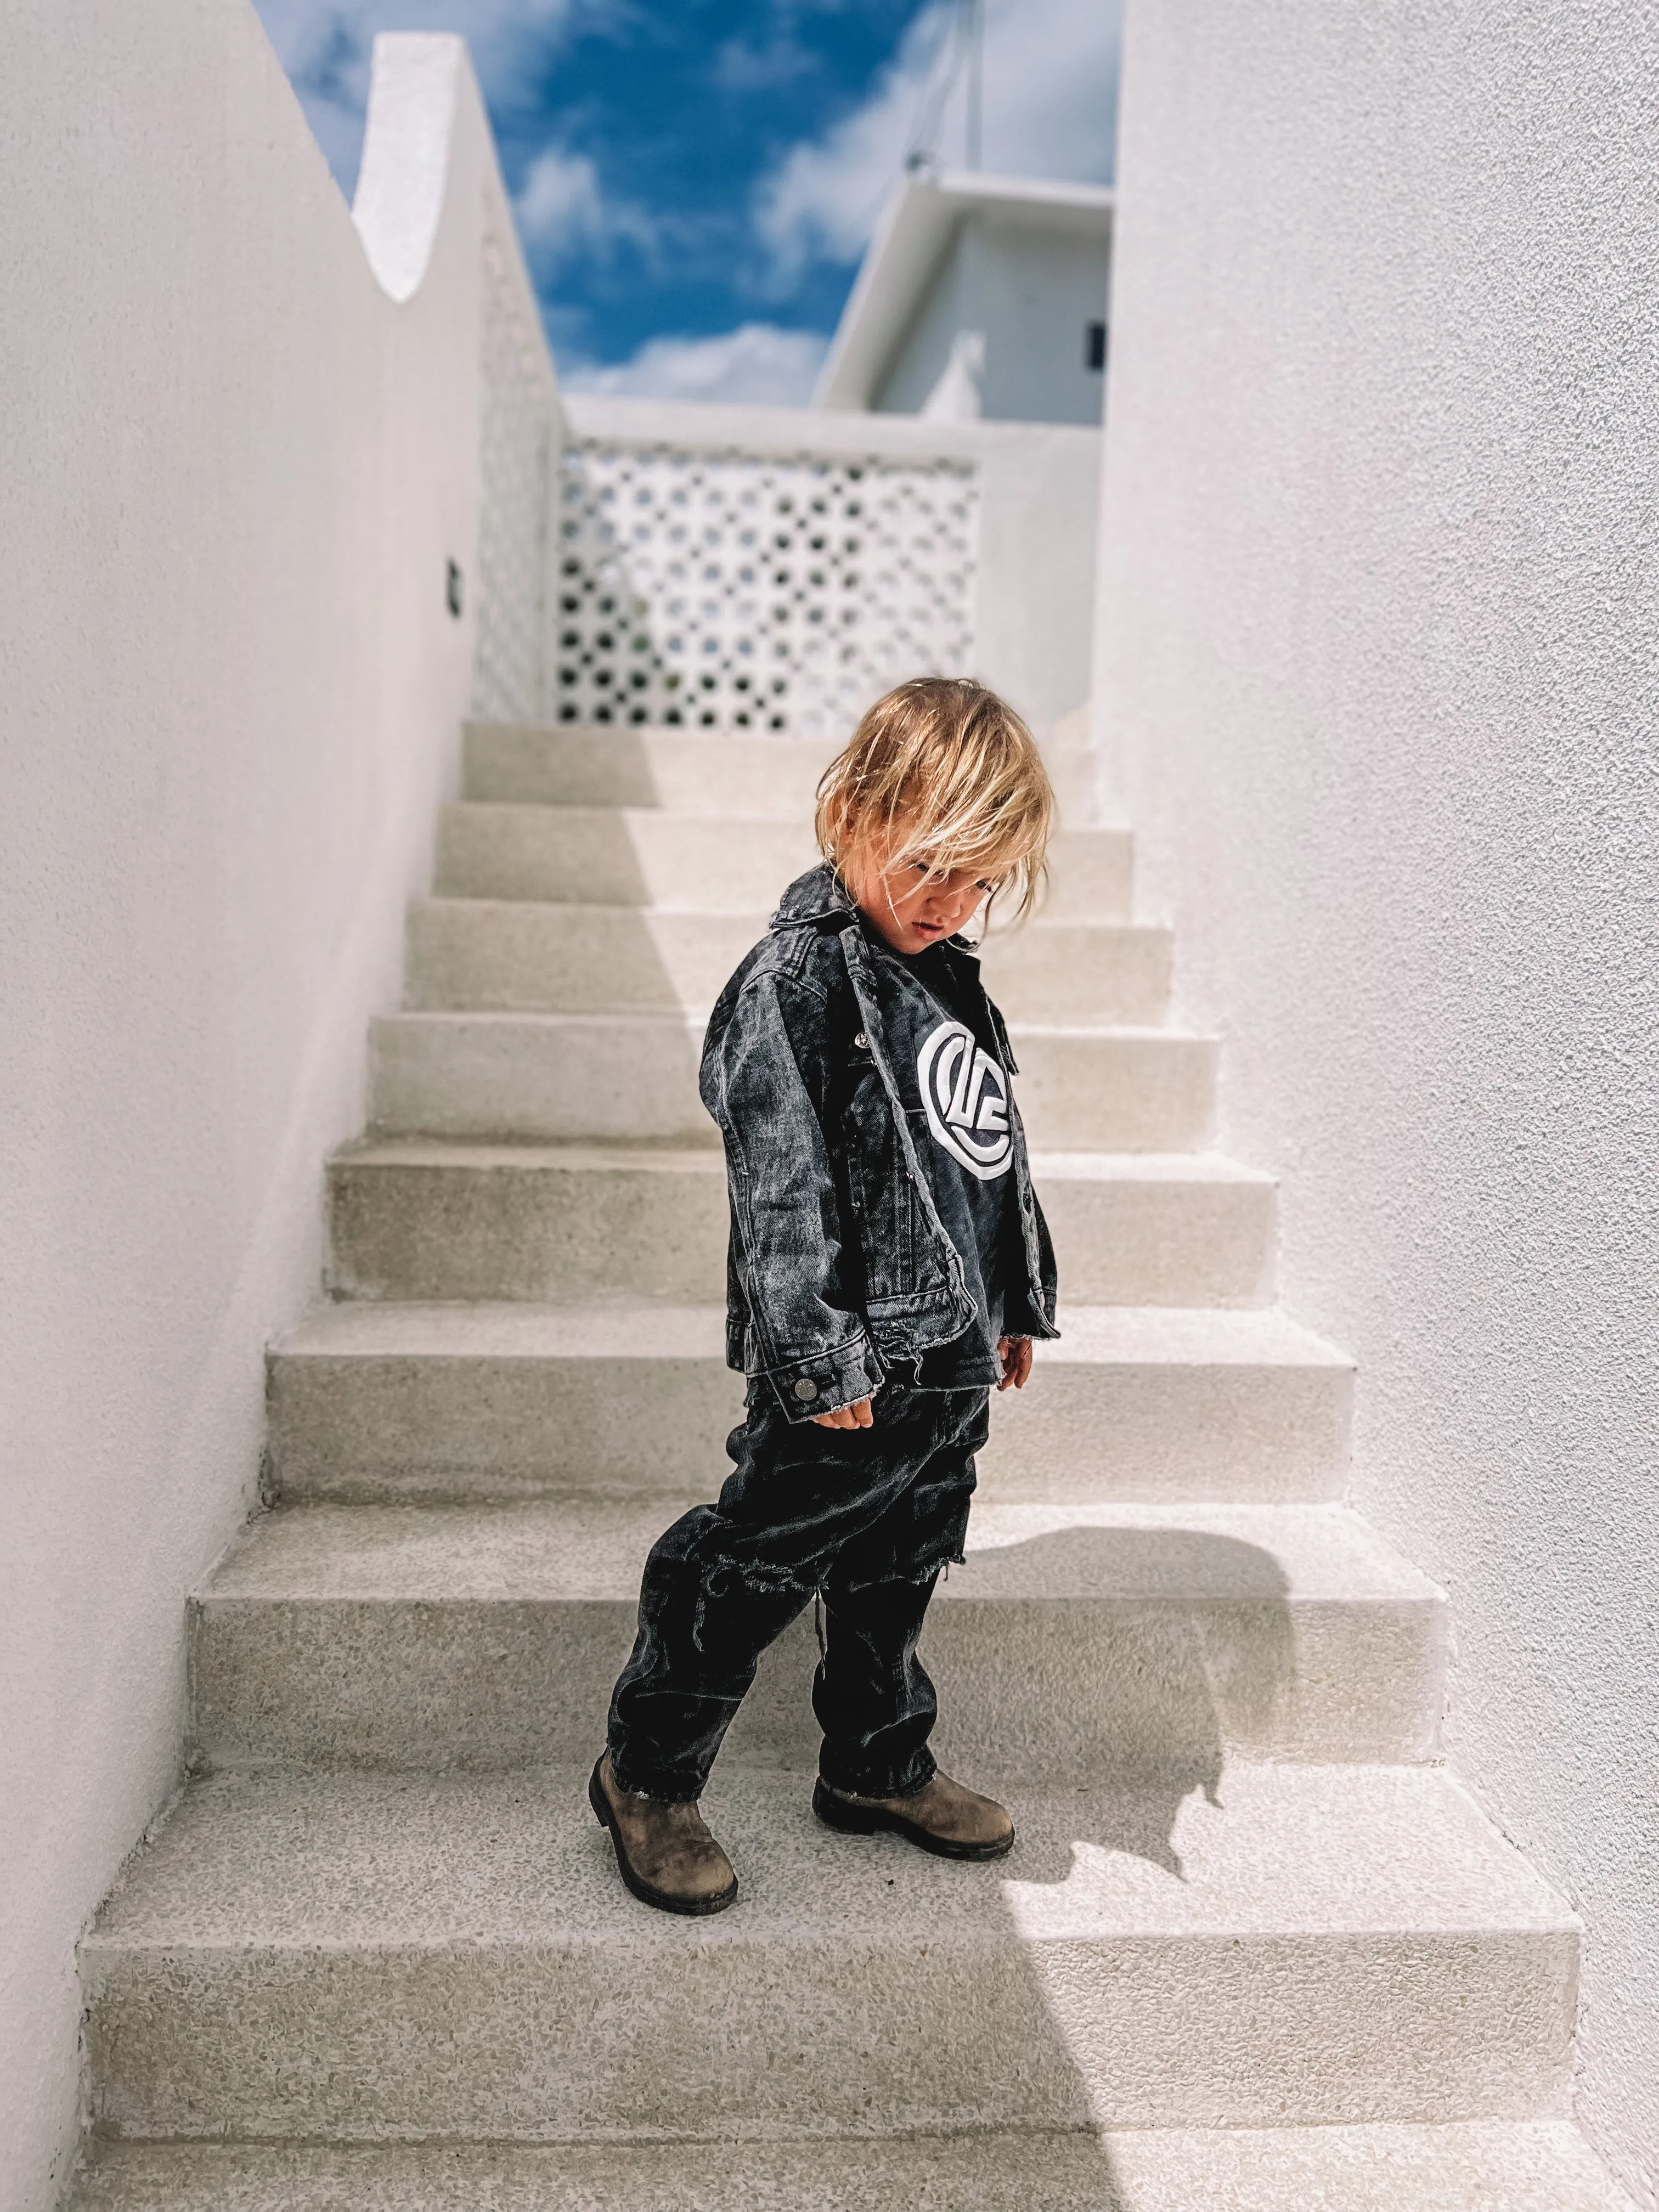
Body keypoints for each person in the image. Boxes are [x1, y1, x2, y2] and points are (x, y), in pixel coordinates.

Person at [590, 676, 1059, 1914]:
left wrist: (1014, 1302)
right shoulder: (794, 982)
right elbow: (781, 1187)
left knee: (900, 1570)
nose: (951, 903)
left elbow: (985, 1154)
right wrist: (815, 1353)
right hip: (846, 1371)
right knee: (753, 1566)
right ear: (850, 811)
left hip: (947, 1366)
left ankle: (875, 1761)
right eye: (928, 869)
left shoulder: (949, 975)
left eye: (979, 882)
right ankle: (646, 1771)